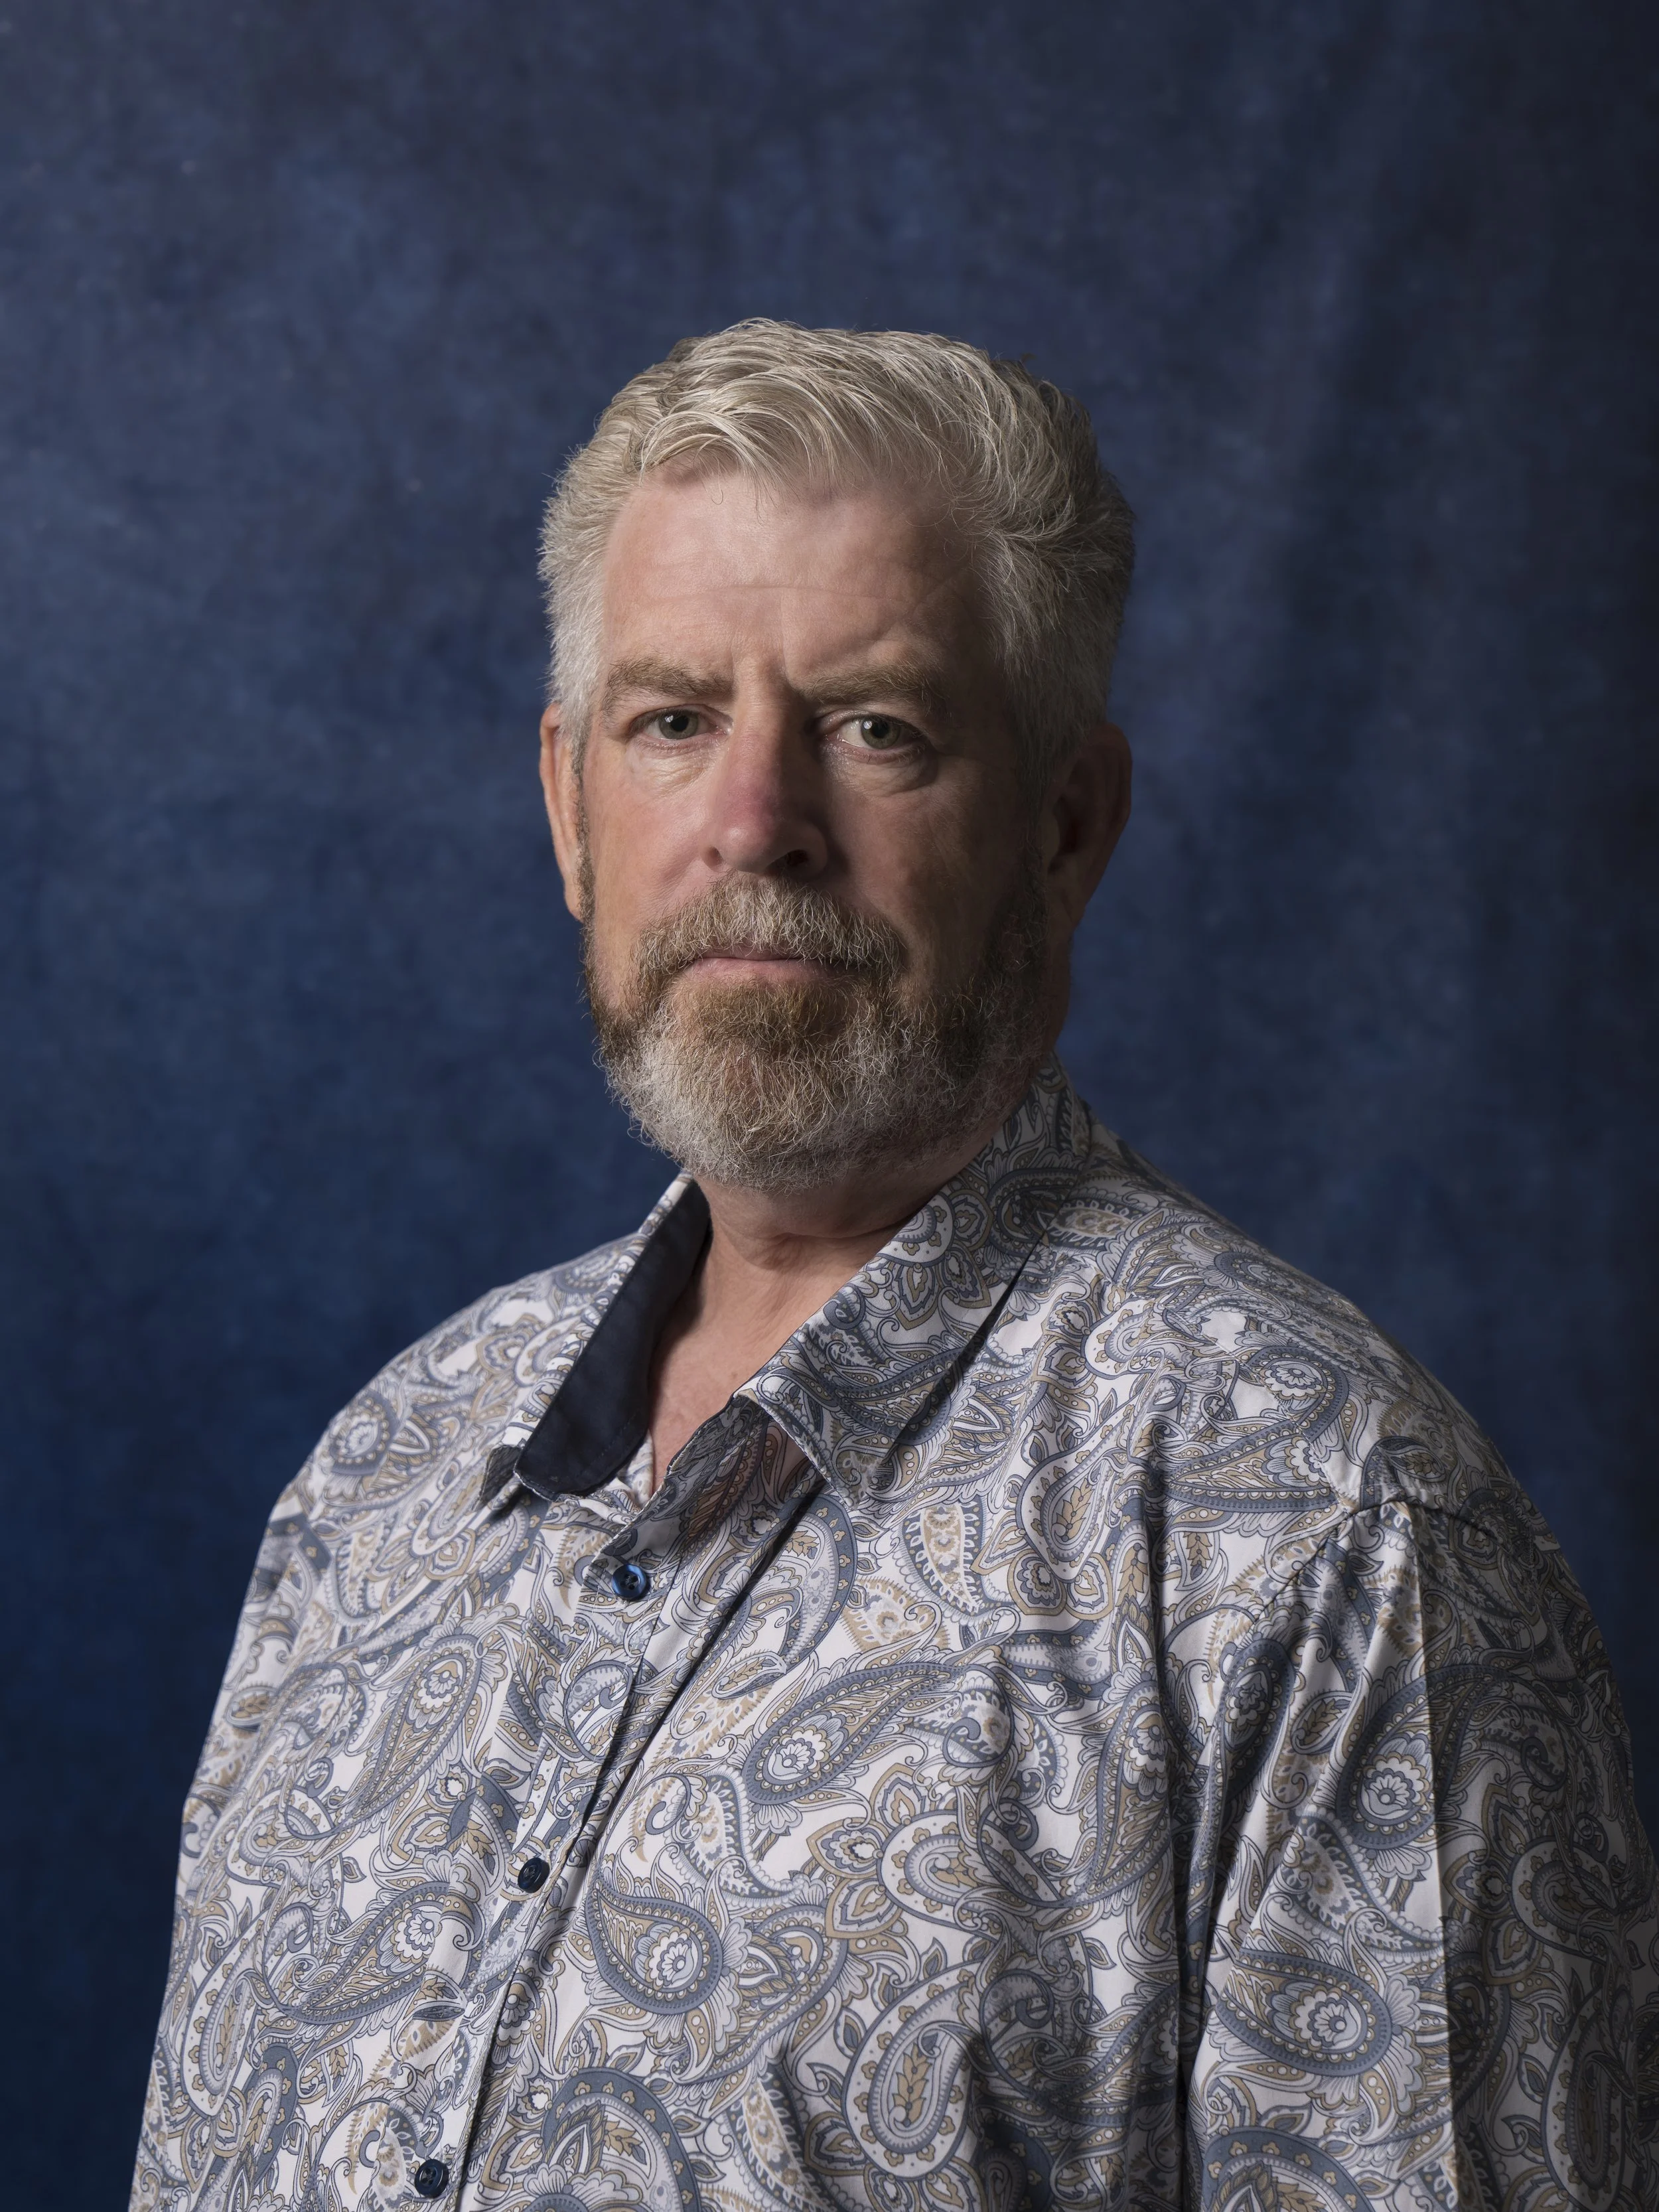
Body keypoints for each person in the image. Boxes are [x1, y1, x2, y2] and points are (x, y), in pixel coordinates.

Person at [132, 321, 1657, 2212]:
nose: (753, 821)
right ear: (567, 810)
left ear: (1065, 824)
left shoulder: (1321, 1531)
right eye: (671, 718)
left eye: (876, 728)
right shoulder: (383, 1481)